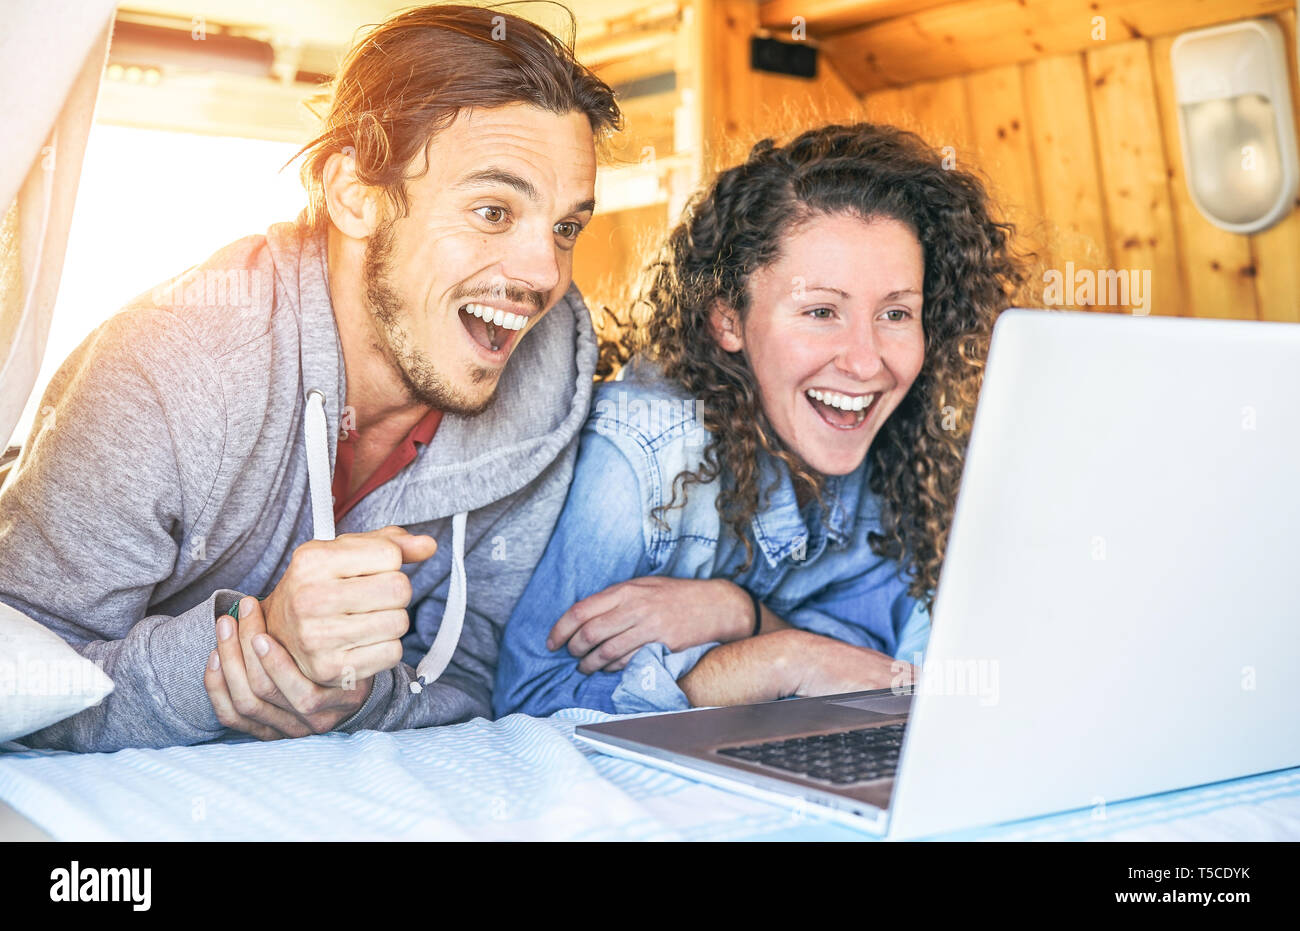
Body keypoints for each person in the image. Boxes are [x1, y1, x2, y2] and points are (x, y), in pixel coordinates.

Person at [0, 4, 620, 750]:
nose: (544, 272)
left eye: (565, 227)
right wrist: (245, 660)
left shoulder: (547, 384)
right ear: (355, 193)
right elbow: (21, 683)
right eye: (493, 211)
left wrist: (357, 698)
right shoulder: (171, 367)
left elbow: (480, 676)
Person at [494, 122, 1029, 716]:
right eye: (822, 311)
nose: (865, 361)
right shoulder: (640, 457)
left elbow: (863, 661)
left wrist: (738, 615)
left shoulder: (886, 453)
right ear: (729, 321)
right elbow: (533, 703)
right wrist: (781, 662)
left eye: (897, 313)